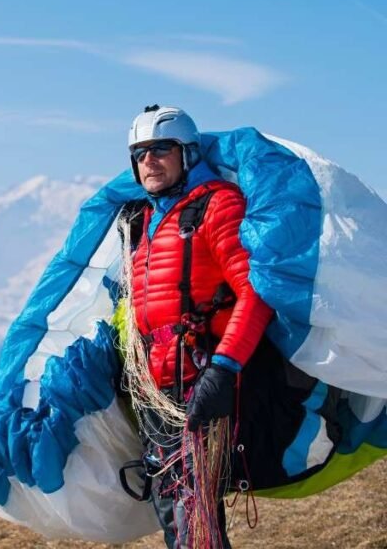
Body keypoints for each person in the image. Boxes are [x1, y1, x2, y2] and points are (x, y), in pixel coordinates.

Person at [121, 105, 273, 548]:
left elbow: (256, 293)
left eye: (160, 149)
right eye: (140, 152)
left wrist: (223, 370)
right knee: (175, 510)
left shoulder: (216, 206)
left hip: (201, 378)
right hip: (159, 390)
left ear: (187, 153)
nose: (149, 160)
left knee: (194, 517)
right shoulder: (145, 220)